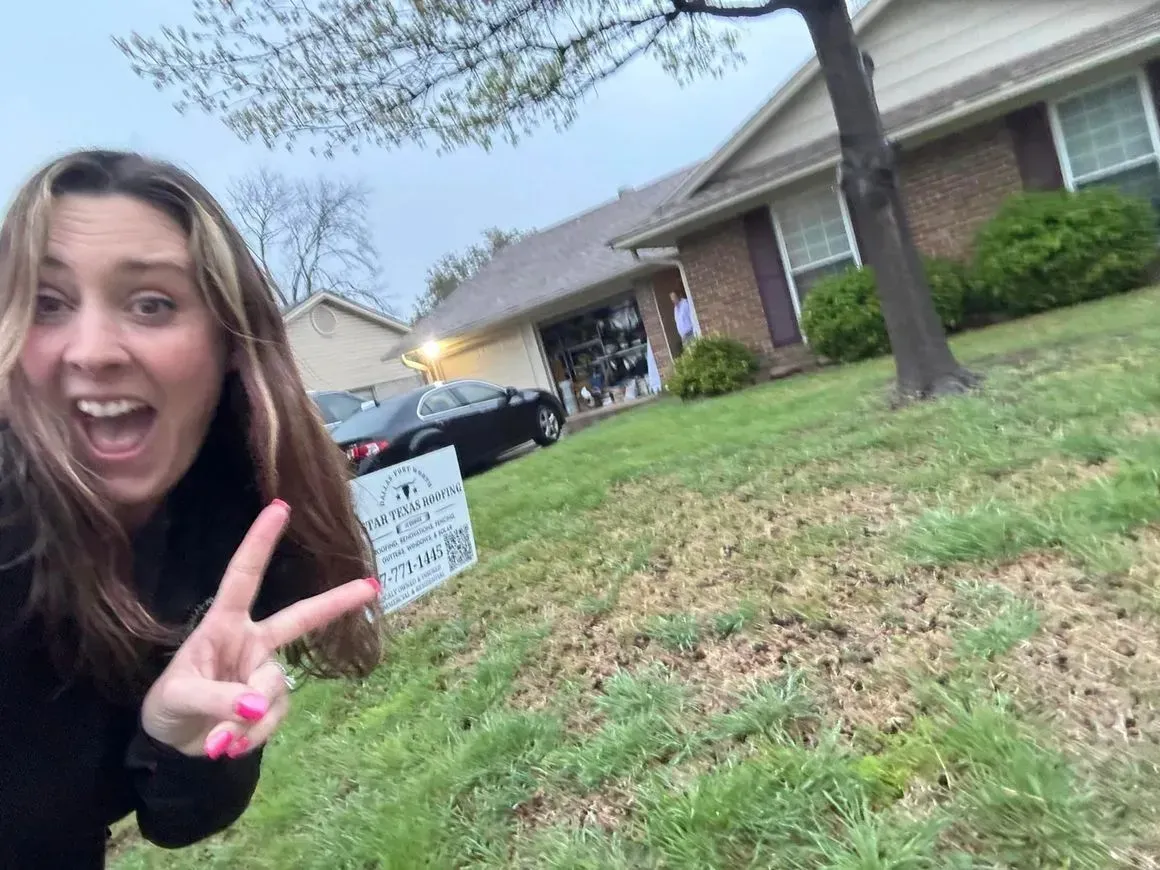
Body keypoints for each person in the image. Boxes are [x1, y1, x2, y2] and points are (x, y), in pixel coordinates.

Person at [0, 150, 384, 867]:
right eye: (48, 303)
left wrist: (177, 736)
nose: (92, 352)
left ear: (230, 342)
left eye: (151, 303)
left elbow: (172, 821)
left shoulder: (226, 518)